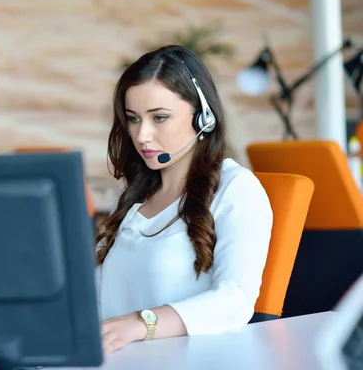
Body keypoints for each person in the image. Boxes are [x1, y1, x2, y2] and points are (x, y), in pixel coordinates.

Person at [95, 45, 273, 354]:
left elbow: (235, 300)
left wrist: (142, 324)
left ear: (203, 117)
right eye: (133, 119)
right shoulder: (133, 199)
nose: (141, 135)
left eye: (159, 118)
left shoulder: (236, 189)